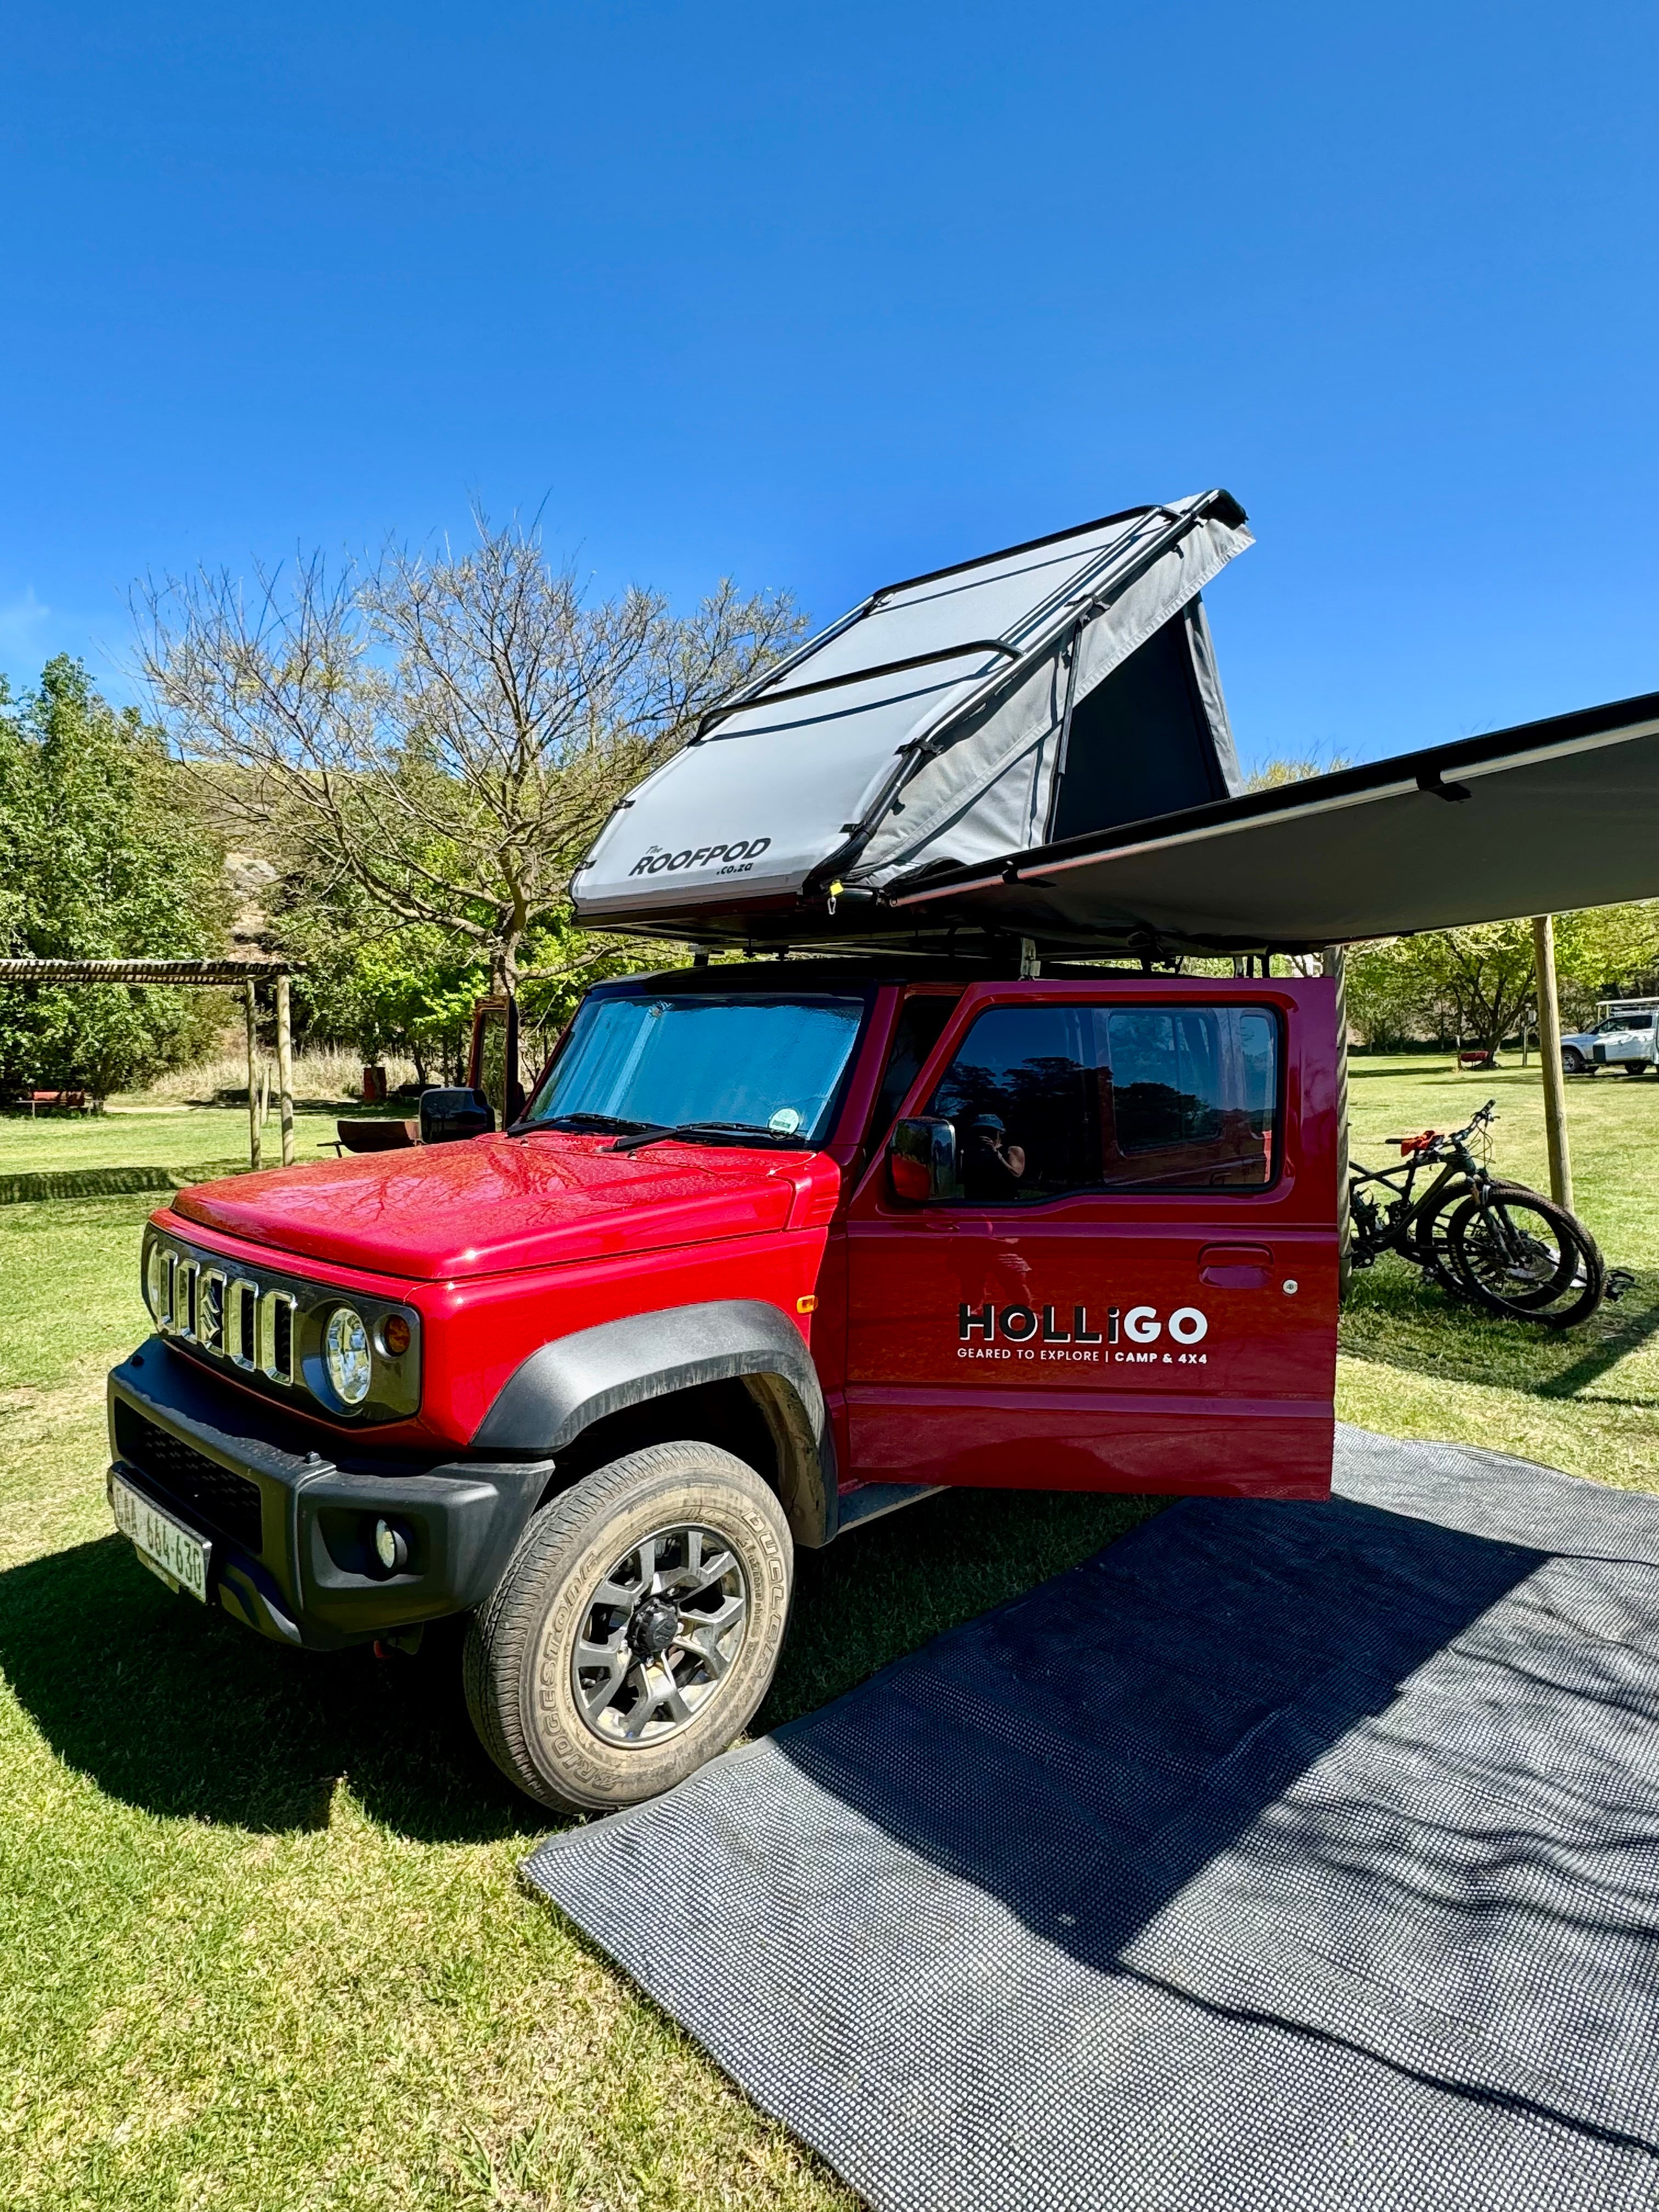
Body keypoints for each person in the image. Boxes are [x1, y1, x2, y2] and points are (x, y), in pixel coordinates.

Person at [961, 1111, 1026, 1201]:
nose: (985, 1134)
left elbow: (1016, 1174)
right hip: (975, 1203)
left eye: (990, 1131)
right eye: (981, 1131)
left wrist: (996, 1154)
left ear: (1000, 1132)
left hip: (1004, 1204)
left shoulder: (1012, 1151)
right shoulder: (971, 1151)